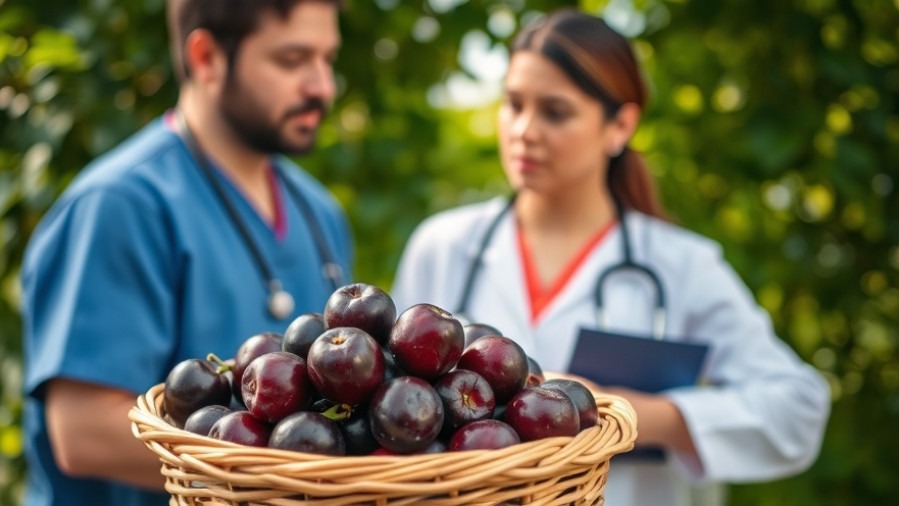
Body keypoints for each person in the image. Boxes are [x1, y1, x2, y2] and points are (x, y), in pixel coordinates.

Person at [390, 8, 830, 506]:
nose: (524, 130)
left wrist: (634, 415)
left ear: (620, 125)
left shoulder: (682, 266)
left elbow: (798, 407)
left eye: (555, 112)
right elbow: (395, 405)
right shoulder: (444, 246)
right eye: (513, 105)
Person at [20, 1, 351, 505]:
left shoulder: (319, 212)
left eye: (328, 60)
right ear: (206, 57)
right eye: (292, 60)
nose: (322, 86)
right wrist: (285, 478)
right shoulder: (119, 207)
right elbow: (82, 433)